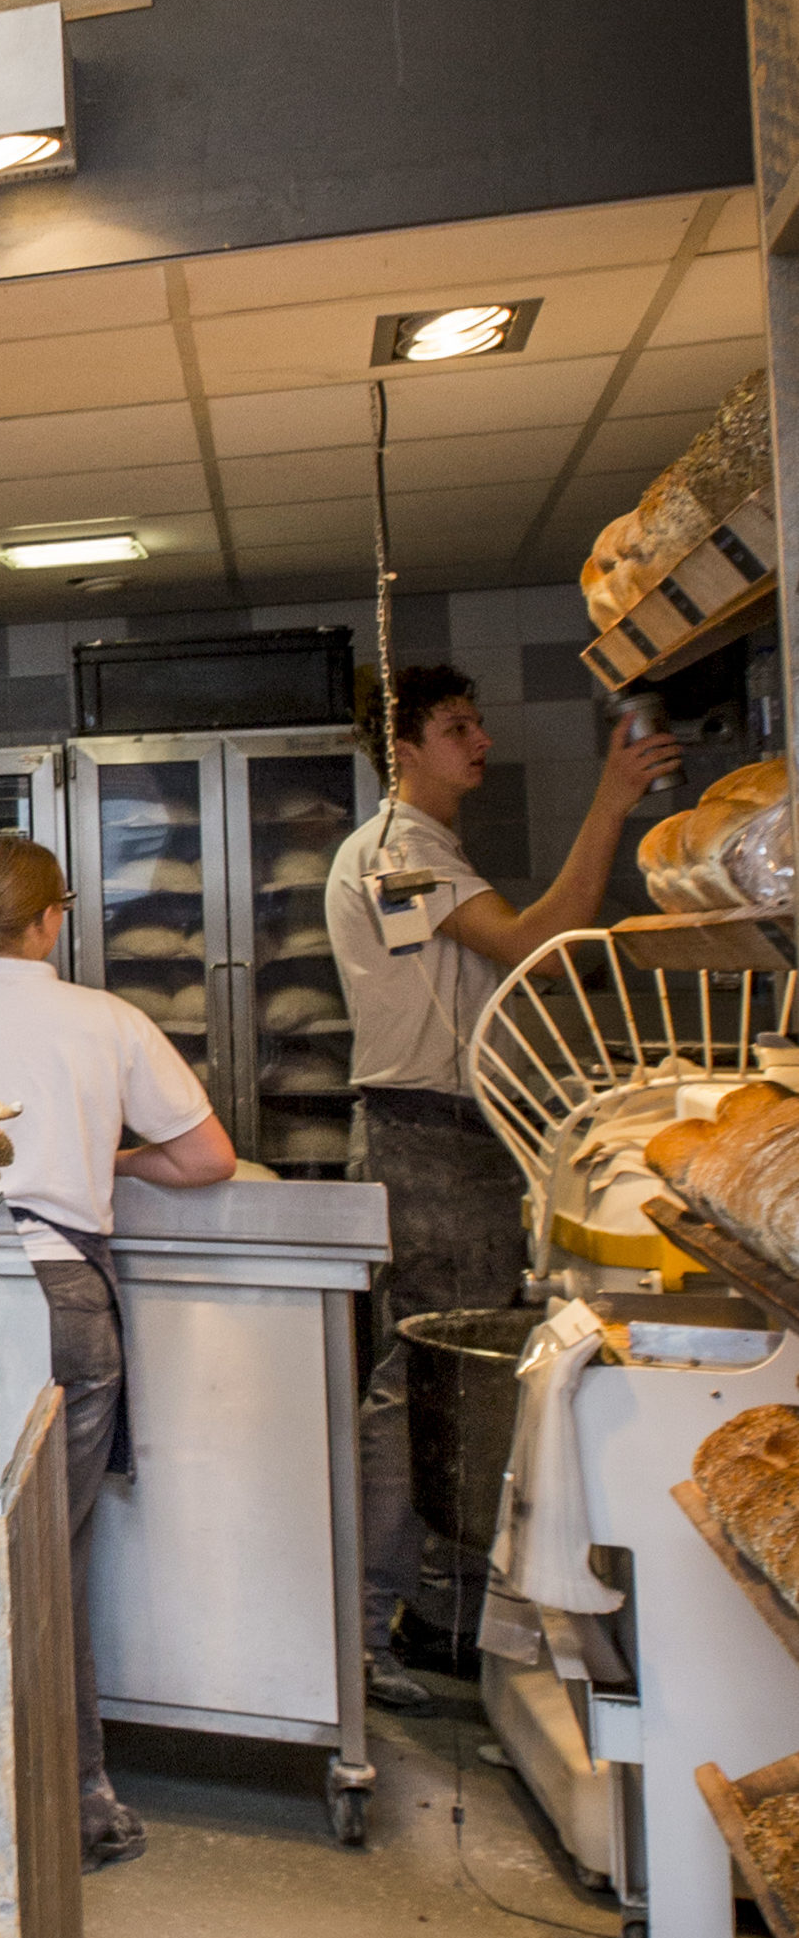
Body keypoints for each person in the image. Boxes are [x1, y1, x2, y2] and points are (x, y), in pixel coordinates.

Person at [0, 832, 235, 1872]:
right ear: (50, 920)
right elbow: (208, 1158)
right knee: (41, 1556)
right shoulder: (107, 1021)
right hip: (53, 1287)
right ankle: (71, 1807)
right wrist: (114, 1157)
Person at [326, 663, 676, 1710]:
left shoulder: (427, 848)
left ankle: (433, 1612)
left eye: (478, 723)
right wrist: (612, 799)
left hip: (449, 1133)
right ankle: (360, 1635)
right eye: (457, 727)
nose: (480, 741)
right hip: (424, 1140)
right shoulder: (396, 850)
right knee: (419, 1383)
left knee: (445, 1381)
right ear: (403, 747)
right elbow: (539, 950)